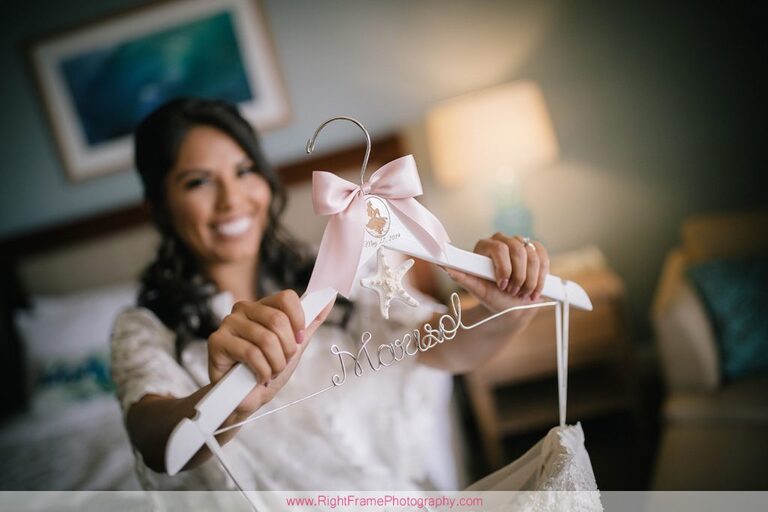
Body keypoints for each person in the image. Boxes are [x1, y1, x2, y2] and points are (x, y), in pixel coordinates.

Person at [111, 98, 550, 492]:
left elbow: (440, 347)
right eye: (197, 182)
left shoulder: (341, 267)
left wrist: (507, 311)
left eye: (244, 171)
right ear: (161, 205)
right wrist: (226, 405)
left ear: (266, 180)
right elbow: (155, 438)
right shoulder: (146, 327)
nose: (231, 199)